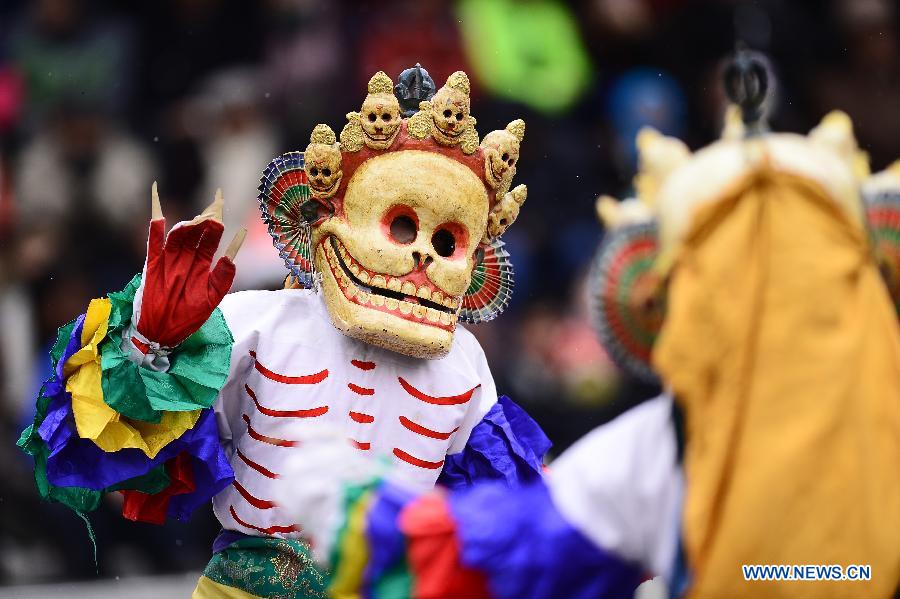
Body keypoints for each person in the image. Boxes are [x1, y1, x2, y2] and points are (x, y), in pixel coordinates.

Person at [273, 101, 900, 598]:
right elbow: (523, 547)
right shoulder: (663, 446)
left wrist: (371, 522)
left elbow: (513, 556)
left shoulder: (664, 447)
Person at [17, 66, 550, 598]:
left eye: (447, 240)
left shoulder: (464, 361)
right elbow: (123, 436)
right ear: (327, 219)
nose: (419, 256)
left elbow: (502, 512)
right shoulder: (258, 323)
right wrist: (148, 346)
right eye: (401, 224)